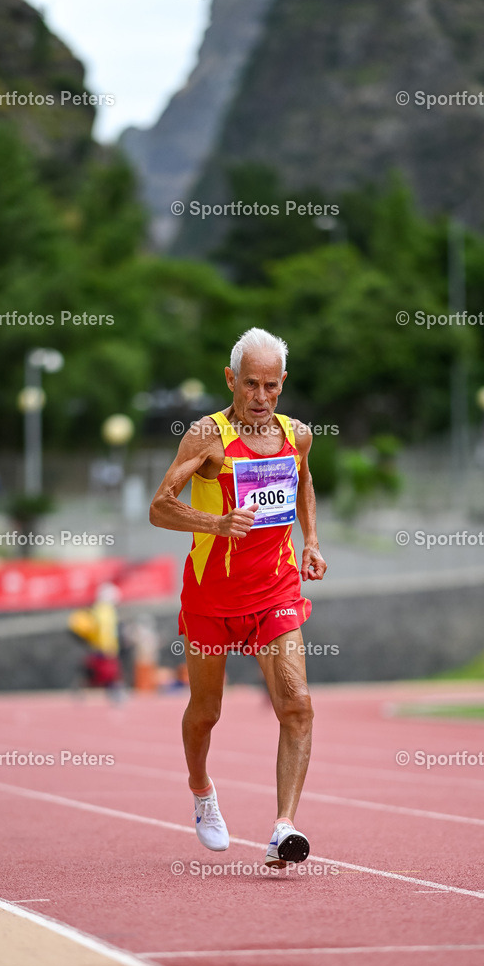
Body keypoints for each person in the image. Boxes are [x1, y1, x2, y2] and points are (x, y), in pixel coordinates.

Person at [150, 327, 327, 868]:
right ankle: (202, 791)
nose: (261, 397)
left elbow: (302, 481)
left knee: (296, 704)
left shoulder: (296, 435)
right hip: (211, 598)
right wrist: (216, 523)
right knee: (206, 711)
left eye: (271, 386)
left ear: (283, 384)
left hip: (274, 592)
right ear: (230, 379)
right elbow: (160, 506)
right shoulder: (206, 435)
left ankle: (283, 829)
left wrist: (311, 540)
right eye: (250, 384)